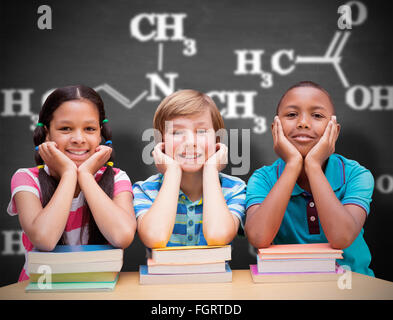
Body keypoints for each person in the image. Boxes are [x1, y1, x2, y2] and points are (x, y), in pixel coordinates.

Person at [7, 85, 136, 281]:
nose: (78, 138)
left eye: (89, 129)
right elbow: (45, 239)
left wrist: (85, 176)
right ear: (47, 134)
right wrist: (69, 174)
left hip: (99, 290)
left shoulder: (117, 178)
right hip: (41, 290)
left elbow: (122, 236)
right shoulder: (26, 179)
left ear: (100, 133)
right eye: (65, 129)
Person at [245, 81, 374, 276]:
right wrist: (292, 165)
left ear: (335, 131)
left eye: (317, 115)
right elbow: (258, 237)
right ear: (275, 129)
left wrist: (313, 165)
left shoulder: (356, 175)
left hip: (351, 287)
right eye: (291, 115)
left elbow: (341, 237)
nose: (303, 123)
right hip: (288, 288)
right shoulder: (263, 179)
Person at [133, 89, 246, 248]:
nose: (190, 142)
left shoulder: (234, 189)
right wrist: (172, 172)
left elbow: (217, 236)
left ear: (217, 140)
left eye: (201, 131)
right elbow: (155, 238)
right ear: (161, 141)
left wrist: (211, 170)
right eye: (177, 132)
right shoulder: (145, 190)